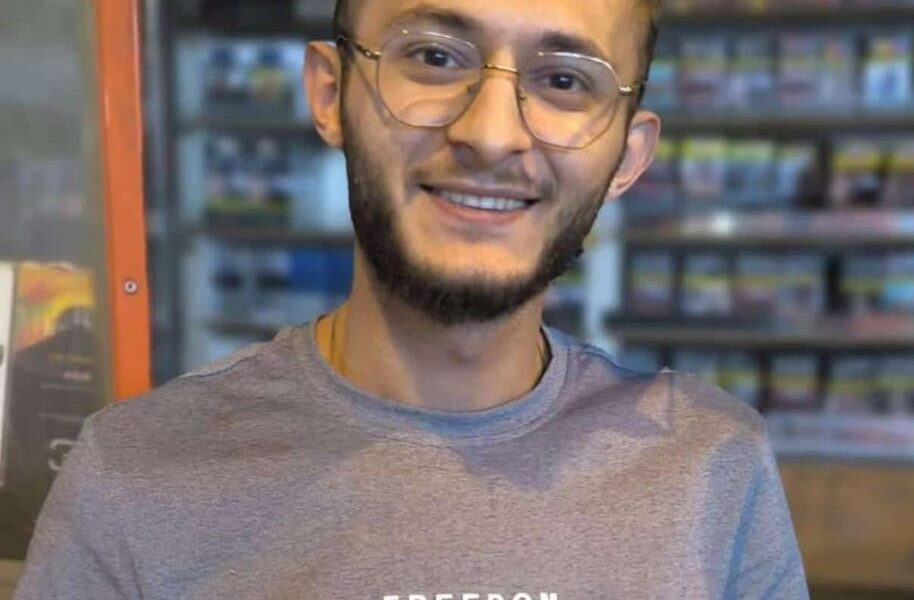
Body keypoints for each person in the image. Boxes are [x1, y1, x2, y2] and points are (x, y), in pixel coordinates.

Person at [15, 0, 809, 598]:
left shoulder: (712, 465)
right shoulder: (134, 476)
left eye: (564, 80)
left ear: (627, 157)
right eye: (434, 57)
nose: (491, 135)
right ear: (330, 93)